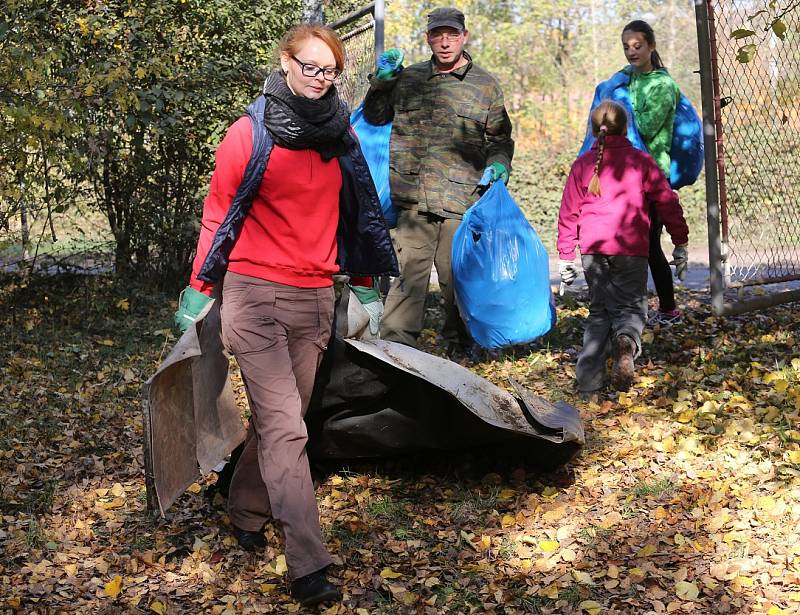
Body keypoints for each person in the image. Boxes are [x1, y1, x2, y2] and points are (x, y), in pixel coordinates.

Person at [173, 24, 398, 607]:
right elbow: (218, 212)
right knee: (287, 428)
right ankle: (307, 563)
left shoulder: (340, 137)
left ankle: (246, 507)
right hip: (253, 296)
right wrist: (199, 288)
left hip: (315, 298)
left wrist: (368, 286)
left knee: (284, 421)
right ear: (286, 62)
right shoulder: (250, 133)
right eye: (311, 67)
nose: (320, 79)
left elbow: (360, 213)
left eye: (330, 71)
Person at [363, 7, 514, 354]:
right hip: (414, 201)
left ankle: (462, 351)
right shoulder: (410, 79)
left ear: (465, 37)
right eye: (437, 35)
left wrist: (500, 165)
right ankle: (396, 355)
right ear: (428, 38)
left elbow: (500, 139)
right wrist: (381, 84)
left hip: (462, 201)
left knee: (457, 281)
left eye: (452, 35)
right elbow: (375, 116)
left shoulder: (485, 85)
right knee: (406, 280)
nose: (445, 43)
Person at [557, 100, 688, 397]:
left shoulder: (582, 165)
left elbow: (568, 212)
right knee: (630, 307)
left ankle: (589, 384)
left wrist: (566, 255)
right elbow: (667, 201)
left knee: (599, 310)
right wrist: (679, 240)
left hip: (593, 249)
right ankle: (627, 340)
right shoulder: (640, 161)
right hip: (631, 247)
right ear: (626, 127)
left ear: (593, 131)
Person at [621, 19, 685, 327]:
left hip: (653, 175)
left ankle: (669, 309)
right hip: (624, 175)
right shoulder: (627, 78)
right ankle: (632, 311)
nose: (631, 53)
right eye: (626, 47)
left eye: (637, 46)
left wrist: (620, 103)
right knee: (631, 243)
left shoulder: (663, 84)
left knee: (647, 245)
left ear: (651, 46)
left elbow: (644, 127)